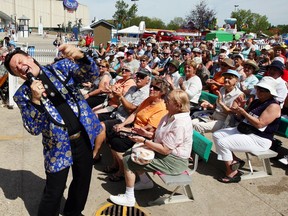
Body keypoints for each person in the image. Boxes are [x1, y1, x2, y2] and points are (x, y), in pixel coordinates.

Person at [4, 44, 102, 216]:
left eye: (20, 61)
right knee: (54, 190)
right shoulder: (23, 95)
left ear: (29, 57)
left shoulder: (61, 67)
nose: (20, 67)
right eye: (15, 69)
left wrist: (81, 57)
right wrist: (35, 100)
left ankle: (74, 212)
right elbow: (33, 128)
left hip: (83, 137)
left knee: (82, 181)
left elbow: (92, 75)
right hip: (57, 147)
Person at [109, 89, 193, 207]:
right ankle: (145, 182)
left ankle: (129, 198)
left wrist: (144, 141)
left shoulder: (180, 124)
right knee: (130, 152)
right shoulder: (170, 115)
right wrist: (145, 133)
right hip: (168, 154)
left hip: (174, 161)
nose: (165, 102)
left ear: (178, 105)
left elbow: (165, 149)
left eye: (168, 101)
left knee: (129, 160)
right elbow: (161, 136)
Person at [213, 76, 281, 183]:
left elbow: (260, 124)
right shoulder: (256, 102)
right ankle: (235, 161)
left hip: (259, 138)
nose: (259, 92)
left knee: (223, 143)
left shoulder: (273, 106)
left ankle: (232, 174)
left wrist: (244, 112)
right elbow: (242, 119)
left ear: (270, 92)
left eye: (263, 90)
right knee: (217, 135)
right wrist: (240, 110)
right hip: (245, 130)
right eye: (258, 88)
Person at [107, 77, 169, 181]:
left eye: (155, 88)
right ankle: (116, 164)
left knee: (116, 142)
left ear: (162, 92)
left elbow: (148, 129)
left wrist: (127, 130)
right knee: (111, 133)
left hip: (143, 135)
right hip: (134, 128)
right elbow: (135, 114)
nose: (151, 89)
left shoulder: (162, 108)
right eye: (151, 86)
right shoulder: (148, 99)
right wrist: (123, 125)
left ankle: (122, 171)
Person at [92, 68, 151, 163]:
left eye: (142, 77)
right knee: (94, 116)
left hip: (124, 119)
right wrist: (114, 94)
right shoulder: (133, 88)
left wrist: (120, 96)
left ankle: (96, 154)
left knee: (102, 126)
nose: (138, 78)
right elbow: (120, 102)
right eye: (138, 76)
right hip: (117, 112)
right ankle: (93, 144)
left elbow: (131, 109)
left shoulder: (145, 94)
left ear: (147, 80)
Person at [192, 69, 245, 134]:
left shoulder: (239, 94)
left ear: (236, 81)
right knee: (192, 122)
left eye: (229, 78)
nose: (226, 80)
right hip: (213, 115)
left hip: (224, 121)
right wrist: (208, 105)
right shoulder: (222, 89)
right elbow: (215, 107)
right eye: (225, 78)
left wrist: (220, 102)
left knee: (198, 126)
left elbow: (231, 113)